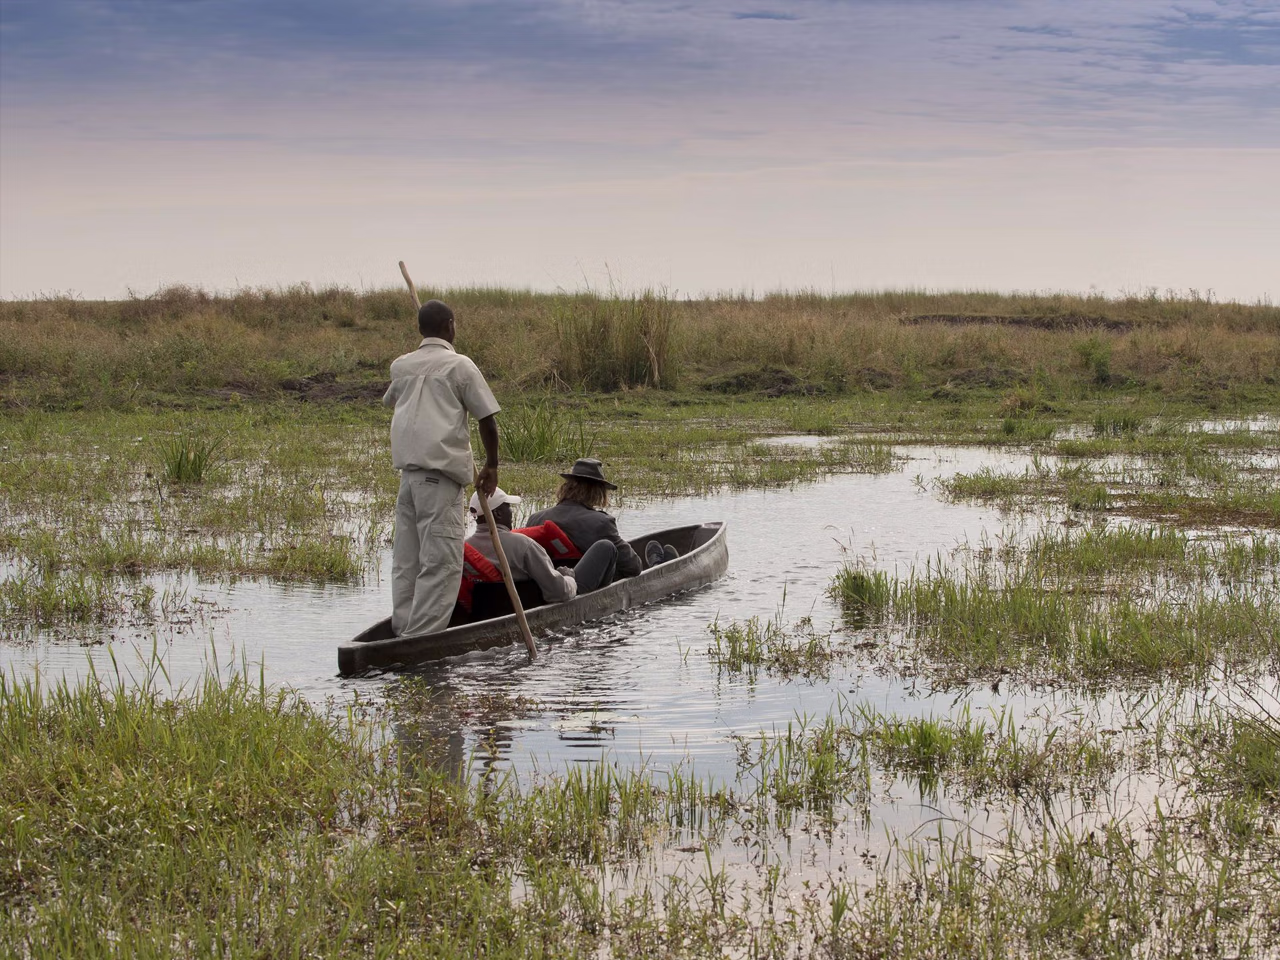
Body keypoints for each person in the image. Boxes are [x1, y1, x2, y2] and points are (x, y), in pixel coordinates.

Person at [383, 299, 500, 637]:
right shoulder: (459, 366)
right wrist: (491, 465)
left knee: (408, 560)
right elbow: (487, 420)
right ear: (449, 326)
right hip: (438, 480)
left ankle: (403, 629)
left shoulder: (401, 366)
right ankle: (419, 641)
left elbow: (390, 400)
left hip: (409, 479)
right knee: (441, 564)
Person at [525, 458, 642, 591]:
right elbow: (634, 567)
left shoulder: (535, 518)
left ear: (567, 487)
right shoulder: (601, 522)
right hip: (578, 588)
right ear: (598, 492)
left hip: (540, 588)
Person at [462, 487, 577, 607]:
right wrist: (569, 579)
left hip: (484, 611)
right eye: (509, 507)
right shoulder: (524, 545)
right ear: (498, 513)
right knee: (599, 547)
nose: (511, 512)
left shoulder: (464, 547)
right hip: (520, 609)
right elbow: (559, 593)